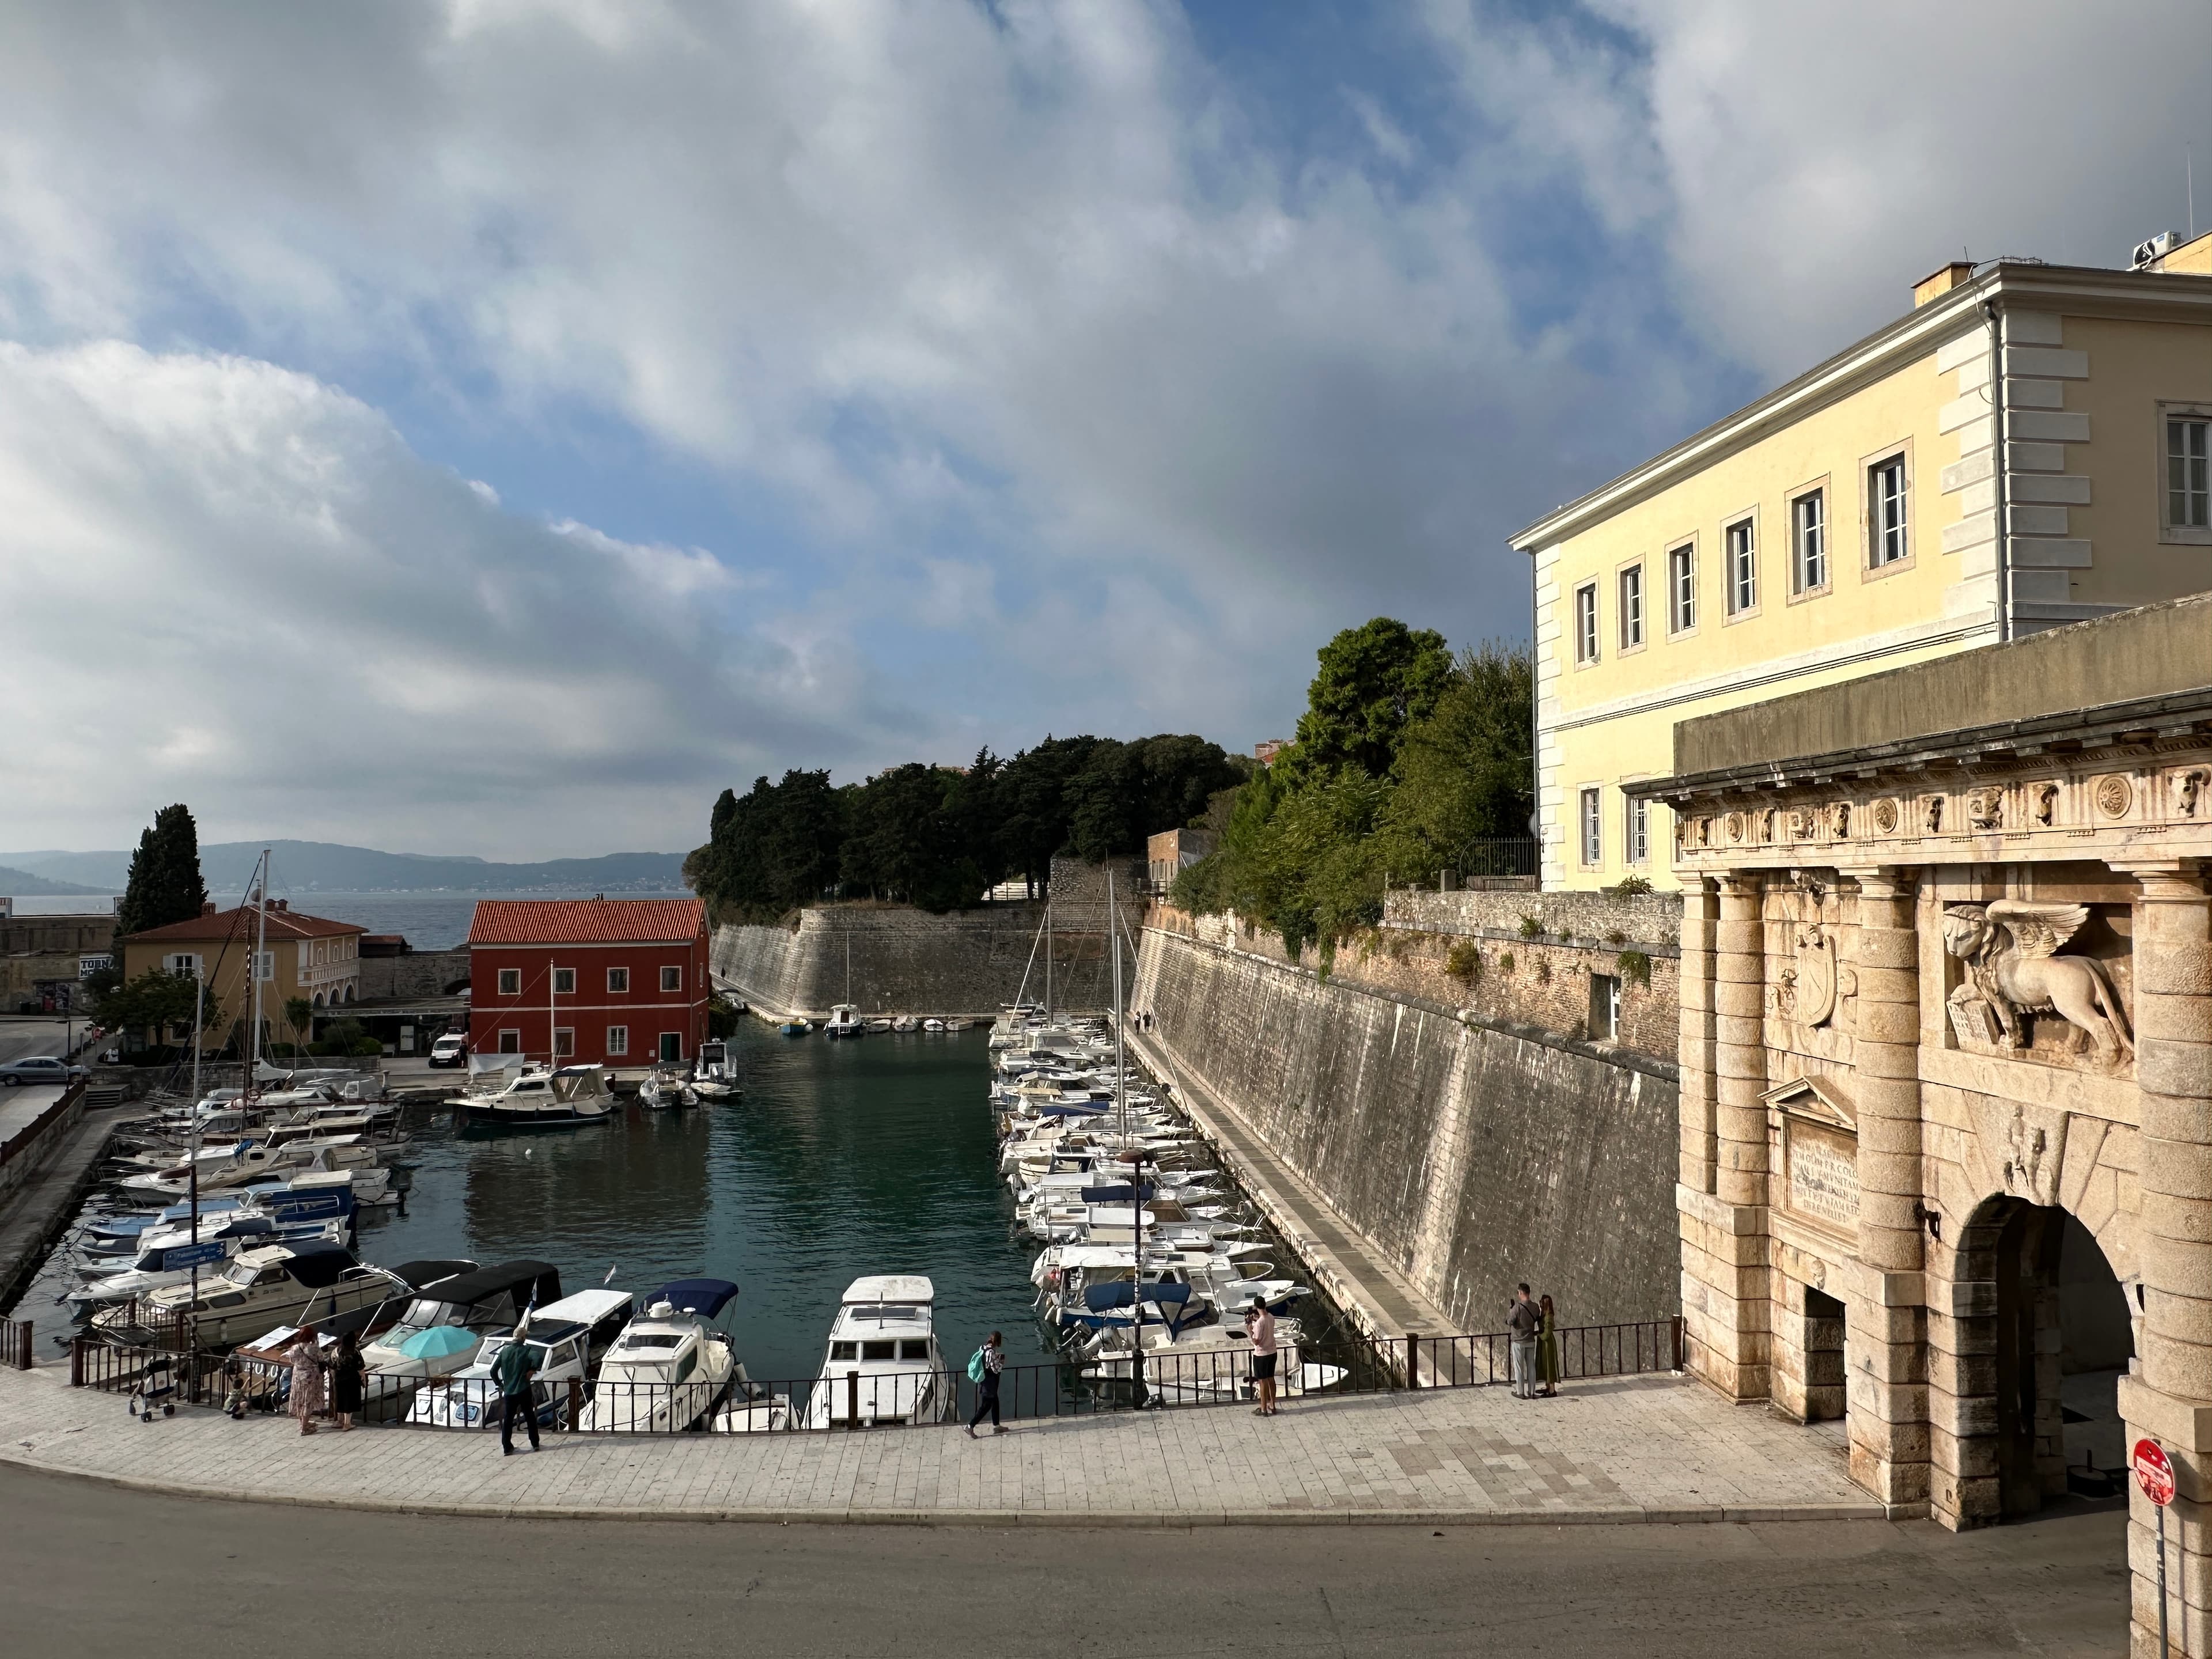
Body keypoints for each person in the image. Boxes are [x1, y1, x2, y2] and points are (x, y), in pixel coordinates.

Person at [494, 1324, 541, 1456]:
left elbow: (493, 1371)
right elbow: (538, 1358)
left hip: (509, 1391)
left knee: (508, 1418)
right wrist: (532, 1369)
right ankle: (535, 1443)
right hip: (524, 1388)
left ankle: (507, 1447)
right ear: (523, 1338)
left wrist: (501, 1385)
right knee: (529, 1416)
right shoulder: (527, 1351)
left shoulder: (504, 1352)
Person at [285, 1326, 325, 1435]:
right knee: (308, 1401)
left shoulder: (295, 1348)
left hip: (298, 1377)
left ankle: (303, 1423)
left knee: (299, 1400)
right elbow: (321, 1360)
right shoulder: (315, 1348)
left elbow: (292, 1360)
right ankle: (304, 1428)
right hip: (311, 1377)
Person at [967, 1331, 1005, 1437]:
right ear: (998, 1341)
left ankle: (997, 1426)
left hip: (985, 1382)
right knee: (985, 1407)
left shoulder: (983, 1348)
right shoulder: (991, 1352)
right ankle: (970, 1426)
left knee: (995, 1402)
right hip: (989, 1384)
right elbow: (995, 1369)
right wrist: (1001, 1362)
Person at [1506, 1285, 1540, 1400]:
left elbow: (1511, 1321)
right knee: (1531, 1367)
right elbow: (1535, 1319)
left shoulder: (1517, 1308)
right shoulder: (1536, 1307)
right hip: (1530, 1340)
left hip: (1518, 1341)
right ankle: (1532, 1392)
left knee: (1519, 1368)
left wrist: (1511, 1312)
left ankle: (1520, 1392)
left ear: (1520, 1293)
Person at [1248, 1298, 1280, 1416]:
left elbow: (1256, 1342)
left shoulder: (1259, 1323)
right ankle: (1272, 1405)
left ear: (1256, 1307)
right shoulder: (1271, 1317)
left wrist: (1250, 1331)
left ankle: (1263, 1409)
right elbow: (1265, 1325)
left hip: (1261, 1355)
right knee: (1271, 1379)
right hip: (1273, 1352)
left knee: (1262, 1381)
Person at [331, 1330, 366, 1431]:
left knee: (340, 1399)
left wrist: (334, 1377)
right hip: (352, 1379)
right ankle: (347, 1424)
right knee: (349, 1401)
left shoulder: (337, 1351)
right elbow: (360, 1367)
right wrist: (364, 1379)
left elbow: (332, 1365)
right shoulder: (355, 1352)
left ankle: (339, 1420)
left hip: (339, 1378)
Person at [1537, 1294, 1562, 1398]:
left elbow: (1548, 1332)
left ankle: (1552, 1390)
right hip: (1544, 1343)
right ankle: (1548, 1386)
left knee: (1549, 1365)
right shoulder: (1545, 1314)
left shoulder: (1549, 1316)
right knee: (1545, 1365)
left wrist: (1540, 1335)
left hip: (1548, 1344)